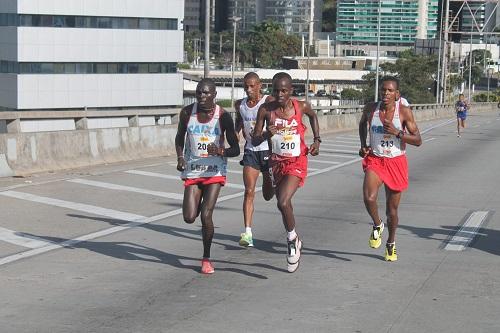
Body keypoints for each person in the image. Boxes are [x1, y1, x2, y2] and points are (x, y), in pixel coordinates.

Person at [253, 72, 321, 273]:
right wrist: (266, 133)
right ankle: (294, 235)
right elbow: (255, 139)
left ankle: (291, 239)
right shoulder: (266, 110)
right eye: (276, 90)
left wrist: (317, 140)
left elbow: (314, 116)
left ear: (291, 90)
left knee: (282, 201)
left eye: (284, 90)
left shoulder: (302, 106)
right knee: (285, 204)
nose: (280, 94)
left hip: (297, 161)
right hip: (277, 162)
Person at [175, 78, 240, 274]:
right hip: (193, 170)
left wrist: (221, 151)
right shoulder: (187, 113)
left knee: (206, 215)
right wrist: (180, 157)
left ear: (214, 95)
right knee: (188, 217)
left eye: (205, 93)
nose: (201, 97)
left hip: (214, 171)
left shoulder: (223, 117)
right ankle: (204, 245)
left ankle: (206, 258)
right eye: (198, 93)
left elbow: (236, 149)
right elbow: (179, 137)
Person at [358, 76, 422, 261]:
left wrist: (398, 132)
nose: (386, 93)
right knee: (369, 198)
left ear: (397, 94)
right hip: (376, 159)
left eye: (390, 90)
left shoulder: (404, 112)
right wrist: (364, 144)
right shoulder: (371, 108)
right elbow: (362, 124)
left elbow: (418, 140)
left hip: (396, 162)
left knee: (391, 211)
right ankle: (377, 225)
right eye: (383, 90)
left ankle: (391, 243)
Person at [234, 72, 275, 248]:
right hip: (251, 150)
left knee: (267, 194)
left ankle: (270, 179)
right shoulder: (240, 105)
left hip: (267, 149)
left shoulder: (268, 101)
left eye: (252, 86)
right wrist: (235, 134)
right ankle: (248, 233)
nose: (248, 89)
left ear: (260, 85)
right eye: (246, 86)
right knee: (249, 191)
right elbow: (239, 121)